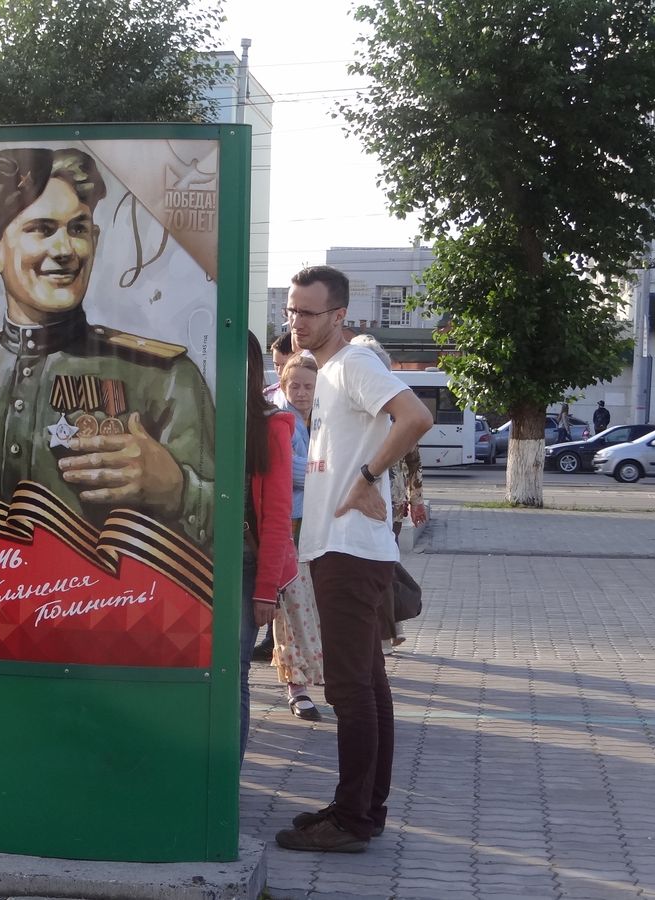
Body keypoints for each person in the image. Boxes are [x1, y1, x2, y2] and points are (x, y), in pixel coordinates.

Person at [0, 147, 214, 547]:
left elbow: (229, 524)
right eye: (42, 229)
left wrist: (178, 490)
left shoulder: (163, 377)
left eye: (78, 229)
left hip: (99, 588)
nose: (65, 250)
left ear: (94, 240)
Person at [274, 266, 431, 854]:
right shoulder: (330, 373)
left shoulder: (354, 364)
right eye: (291, 310)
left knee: (350, 689)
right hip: (342, 549)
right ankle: (362, 809)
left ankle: (351, 820)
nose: (297, 321)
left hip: (349, 551)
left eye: (308, 312)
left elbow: (416, 417)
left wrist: (368, 477)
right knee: (368, 684)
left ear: (338, 315)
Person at [349, 334, 427, 653]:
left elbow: (413, 458)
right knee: (379, 565)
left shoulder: (395, 408)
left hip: (387, 502)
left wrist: (416, 500)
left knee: (377, 566)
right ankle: (390, 627)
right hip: (371, 499)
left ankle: (384, 633)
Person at [238, 333, 297, 753]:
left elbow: (277, 517)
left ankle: (229, 780)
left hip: (243, 567)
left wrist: (265, 591)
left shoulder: (269, 425)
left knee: (232, 672)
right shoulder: (191, 410)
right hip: (188, 564)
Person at [271, 351, 326, 721]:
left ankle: (318, 676)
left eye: (308, 386)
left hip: (319, 527)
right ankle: (296, 685)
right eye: (295, 386)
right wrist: (326, 473)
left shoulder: (324, 420)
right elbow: (289, 471)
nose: (302, 393)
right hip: (287, 527)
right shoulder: (281, 420)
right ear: (284, 385)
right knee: (290, 609)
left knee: (316, 606)